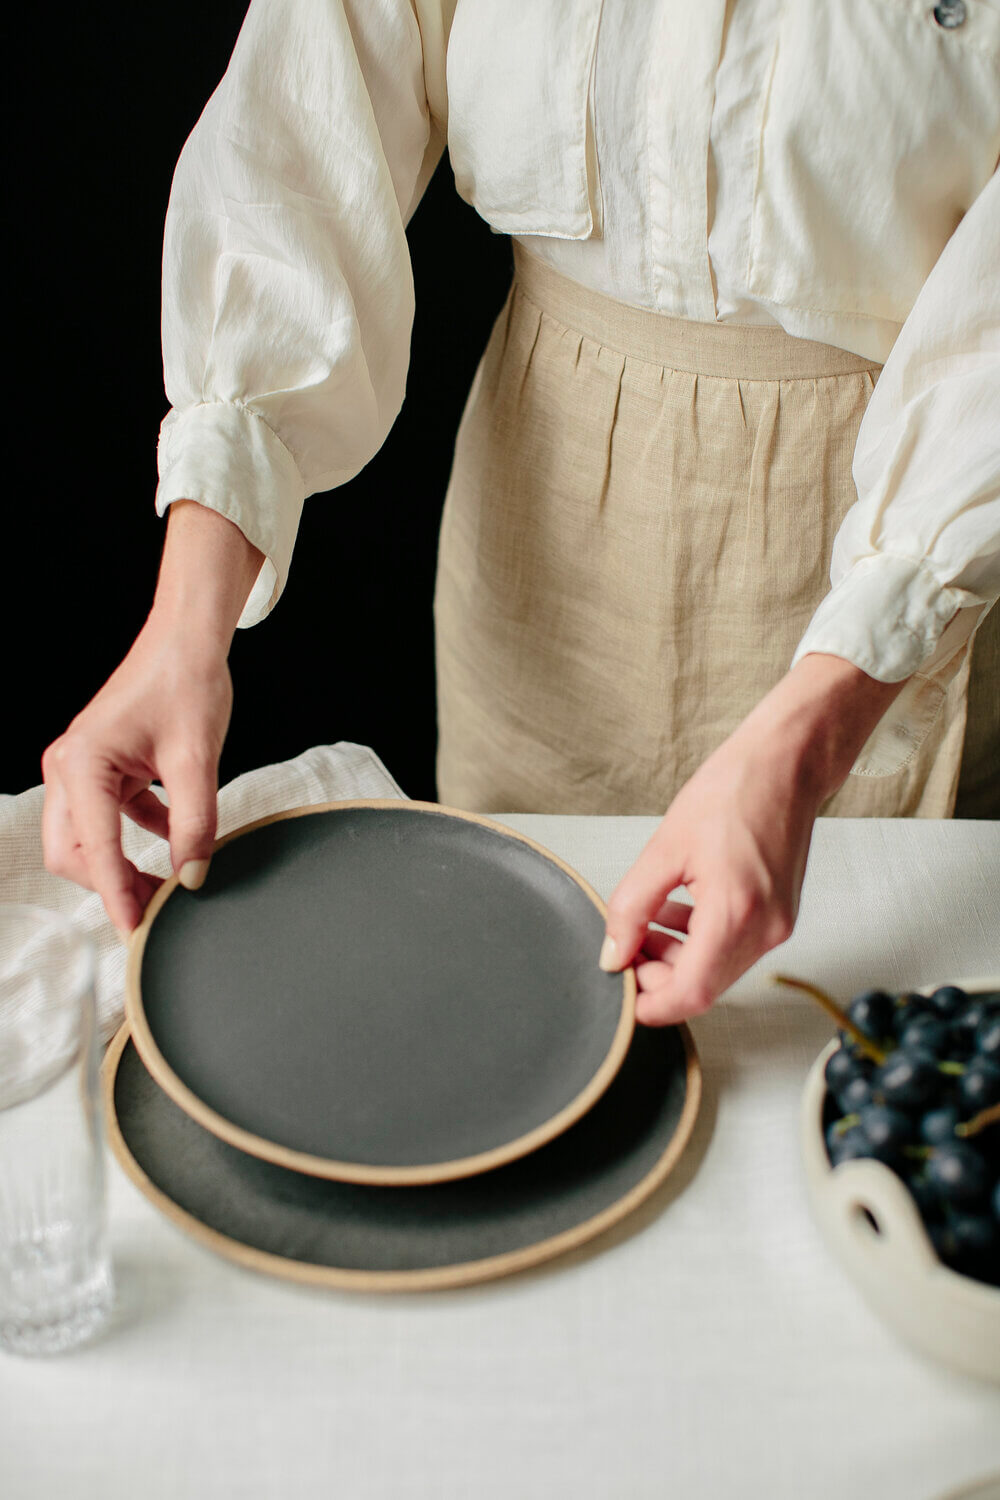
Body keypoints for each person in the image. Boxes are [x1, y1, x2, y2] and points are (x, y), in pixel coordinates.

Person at [41, 0, 1000, 1027]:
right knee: (516, 1023)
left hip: (908, 555)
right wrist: (185, 627)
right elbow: (300, 135)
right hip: (544, 549)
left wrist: (813, 741)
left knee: (826, 1055)